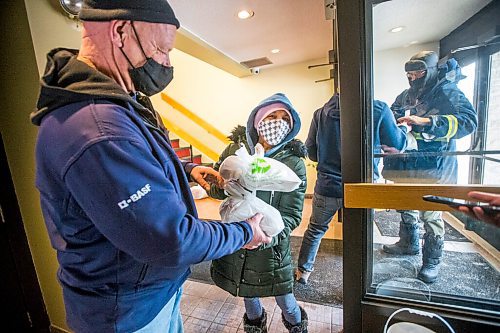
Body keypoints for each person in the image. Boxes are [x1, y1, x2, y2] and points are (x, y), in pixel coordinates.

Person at [30, 1, 270, 332]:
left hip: (148, 293)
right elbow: (171, 240)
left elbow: (135, 162)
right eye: (161, 48)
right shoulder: (98, 130)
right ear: (120, 32)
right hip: (126, 313)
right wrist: (244, 232)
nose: (166, 64)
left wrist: (185, 169)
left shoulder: (117, 104)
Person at [208, 93, 308, 333]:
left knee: (286, 302)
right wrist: (220, 184)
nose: (278, 123)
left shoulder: (293, 163)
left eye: (285, 119)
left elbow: (292, 215)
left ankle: (297, 326)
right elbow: (218, 188)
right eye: (272, 116)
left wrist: (262, 238)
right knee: (248, 296)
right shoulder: (235, 150)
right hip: (237, 239)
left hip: (271, 249)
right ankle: (254, 327)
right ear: (258, 119)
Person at [382, 51, 477, 283]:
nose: (413, 77)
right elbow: (390, 119)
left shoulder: (448, 92)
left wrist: (427, 122)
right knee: (405, 205)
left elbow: (469, 122)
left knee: (431, 213)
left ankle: (432, 260)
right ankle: (408, 242)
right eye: (409, 74)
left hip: (433, 166)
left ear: (431, 71)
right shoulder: (405, 96)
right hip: (405, 164)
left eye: (419, 73)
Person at [295, 95, 407, 285]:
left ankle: (303, 272)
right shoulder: (378, 109)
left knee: (315, 229)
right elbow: (397, 146)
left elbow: (311, 153)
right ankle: (360, 279)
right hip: (362, 188)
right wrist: (404, 128)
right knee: (361, 234)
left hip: (327, 186)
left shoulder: (320, 113)